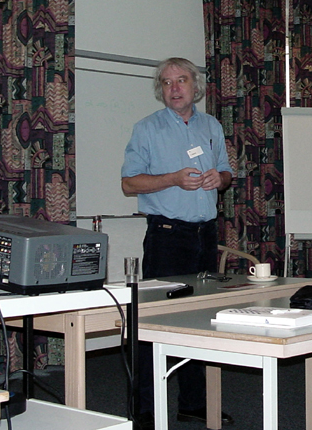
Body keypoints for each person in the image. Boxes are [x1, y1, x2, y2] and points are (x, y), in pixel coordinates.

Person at [121, 57, 234, 428]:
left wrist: (220, 180)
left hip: (205, 235)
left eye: (181, 80)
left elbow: (227, 172)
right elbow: (129, 183)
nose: (174, 88)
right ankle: (143, 410)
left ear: (195, 86)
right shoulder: (147, 129)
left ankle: (193, 403)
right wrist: (171, 179)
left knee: (200, 320)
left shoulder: (211, 126)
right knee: (152, 322)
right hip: (167, 237)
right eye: (167, 82)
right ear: (161, 90)